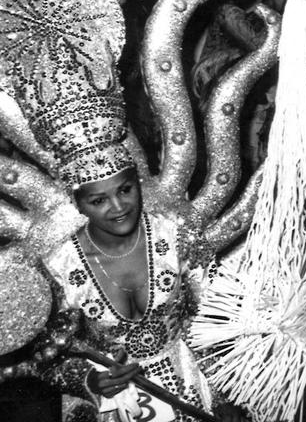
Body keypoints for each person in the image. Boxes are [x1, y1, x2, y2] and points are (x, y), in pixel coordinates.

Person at [44, 167, 244, 421]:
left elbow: (217, 316)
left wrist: (224, 395)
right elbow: (48, 357)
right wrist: (91, 380)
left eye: (125, 190)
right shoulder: (59, 267)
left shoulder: (177, 236)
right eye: (98, 200)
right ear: (78, 204)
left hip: (197, 380)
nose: (118, 207)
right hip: (113, 405)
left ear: (138, 183)